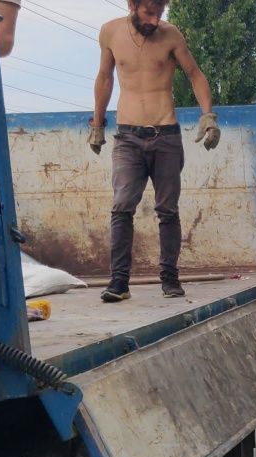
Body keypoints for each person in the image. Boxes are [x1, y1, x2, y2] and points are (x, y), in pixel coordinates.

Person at [89, 0, 220, 302]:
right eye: (149, 13)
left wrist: (208, 116)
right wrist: (97, 124)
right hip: (127, 137)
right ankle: (119, 283)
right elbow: (105, 78)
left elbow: (195, 74)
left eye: (159, 14)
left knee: (168, 209)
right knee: (122, 206)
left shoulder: (170, 35)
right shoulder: (110, 32)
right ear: (132, 5)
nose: (154, 20)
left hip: (166, 136)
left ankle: (170, 279)